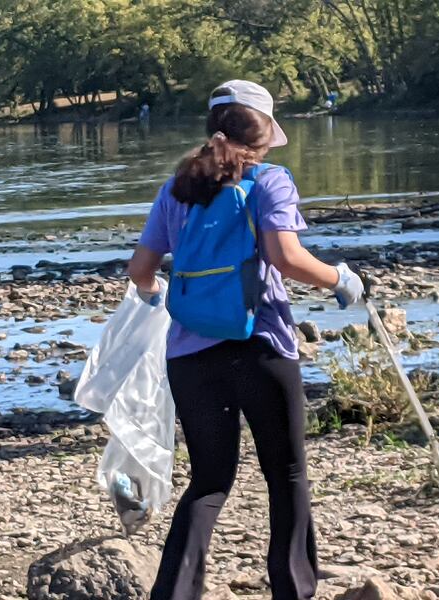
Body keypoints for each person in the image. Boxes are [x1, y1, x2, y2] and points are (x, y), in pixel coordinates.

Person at [127, 79, 364, 600]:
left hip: (191, 356)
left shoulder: (176, 190)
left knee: (209, 482)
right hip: (261, 348)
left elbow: (141, 270)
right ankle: (294, 592)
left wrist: (155, 295)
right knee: (287, 474)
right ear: (261, 136)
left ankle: (173, 596)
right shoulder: (270, 181)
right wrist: (341, 279)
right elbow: (286, 258)